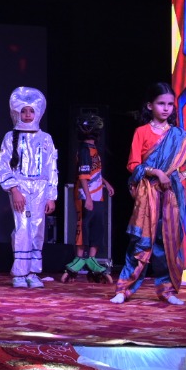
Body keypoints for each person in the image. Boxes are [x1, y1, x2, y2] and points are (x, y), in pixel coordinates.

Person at [110, 84, 186, 305]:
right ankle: (124, 289)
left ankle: (167, 291)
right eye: (161, 103)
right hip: (148, 192)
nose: (166, 108)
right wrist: (157, 172)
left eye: (170, 104)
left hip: (171, 193)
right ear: (149, 106)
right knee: (141, 242)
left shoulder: (178, 135)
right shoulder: (141, 132)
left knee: (168, 242)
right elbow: (133, 164)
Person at [0, 88, 60, 288]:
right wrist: (14, 189)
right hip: (21, 186)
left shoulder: (46, 138)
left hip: (41, 188)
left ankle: (33, 272)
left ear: (38, 112)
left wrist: (51, 195)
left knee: (37, 228)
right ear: (17, 112)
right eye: (23, 110)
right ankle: (19, 273)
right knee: (23, 228)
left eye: (31, 111)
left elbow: (52, 168)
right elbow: (4, 165)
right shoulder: (10, 137)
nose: (27, 115)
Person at [61, 111, 115, 283]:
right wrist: (89, 198)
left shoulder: (94, 150)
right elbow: (83, 175)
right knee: (84, 226)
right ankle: (79, 259)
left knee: (97, 227)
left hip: (97, 195)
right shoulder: (84, 150)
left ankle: (92, 259)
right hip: (86, 196)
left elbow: (94, 172)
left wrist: (105, 183)